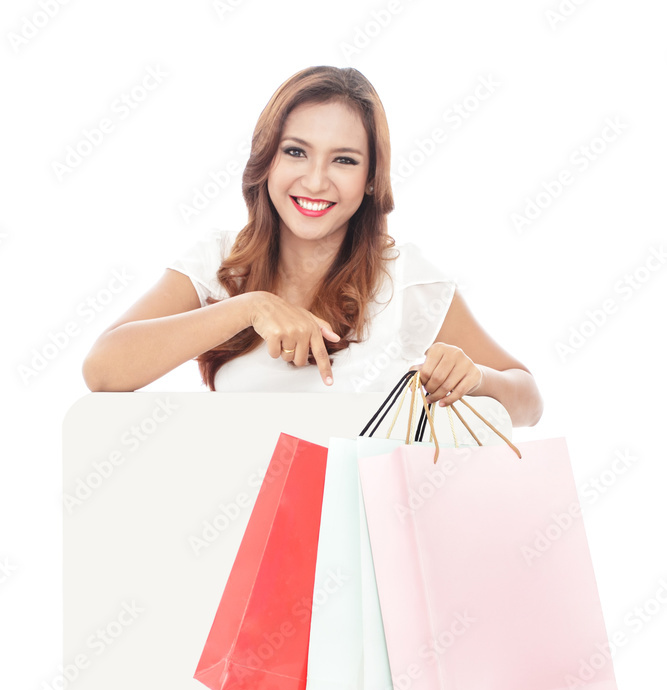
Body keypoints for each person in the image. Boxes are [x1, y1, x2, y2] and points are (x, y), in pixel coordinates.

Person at [82, 65, 543, 428]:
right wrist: (250, 308)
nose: (316, 180)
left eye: (344, 160)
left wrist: (478, 379)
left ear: (369, 179)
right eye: (296, 152)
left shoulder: (404, 278)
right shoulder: (218, 262)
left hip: (364, 534)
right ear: (267, 159)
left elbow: (529, 402)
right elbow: (102, 371)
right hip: (237, 532)